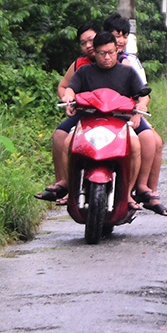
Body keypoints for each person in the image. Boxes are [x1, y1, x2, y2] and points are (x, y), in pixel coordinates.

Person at [49, 30, 147, 210]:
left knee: (135, 146)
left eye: (111, 52)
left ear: (117, 50)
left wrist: (140, 108)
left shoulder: (128, 72)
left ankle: (127, 195)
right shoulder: (85, 71)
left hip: (120, 122)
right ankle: (71, 190)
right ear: (95, 52)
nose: (107, 57)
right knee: (67, 143)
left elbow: (143, 95)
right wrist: (68, 98)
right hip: (88, 121)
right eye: (102, 53)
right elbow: (70, 89)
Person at [100, 14, 167, 213]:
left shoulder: (130, 63)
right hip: (100, 113)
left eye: (124, 36)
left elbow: (143, 92)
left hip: (128, 113)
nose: (120, 40)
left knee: (153, 141)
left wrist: (139, 111)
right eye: (115, 35)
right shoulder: (91, 61)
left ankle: (145, 188)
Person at [41, 27, 97, 202]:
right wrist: (68, 101)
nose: (88, 45)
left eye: (91, 40)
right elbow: (63, 87)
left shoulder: (119, 61)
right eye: (83, 43)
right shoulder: (80, 64)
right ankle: (63, 183)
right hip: (83, 113)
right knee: (59, 135)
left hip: (114, 115)